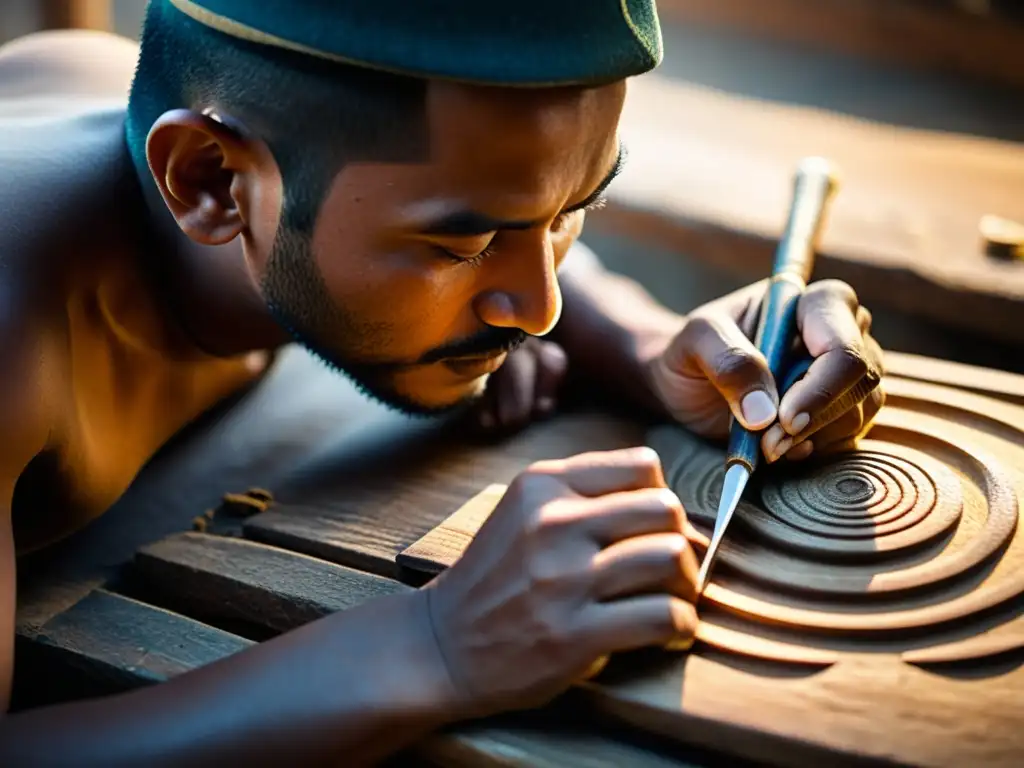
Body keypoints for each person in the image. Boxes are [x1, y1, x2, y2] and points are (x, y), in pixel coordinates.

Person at [0, 0, 884, 764]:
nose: (538, 310)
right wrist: (435, 646)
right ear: (207, 181)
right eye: (462, 249)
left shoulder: (216, 119)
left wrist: (644, 346)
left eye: (575, 211)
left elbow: (470, 202)